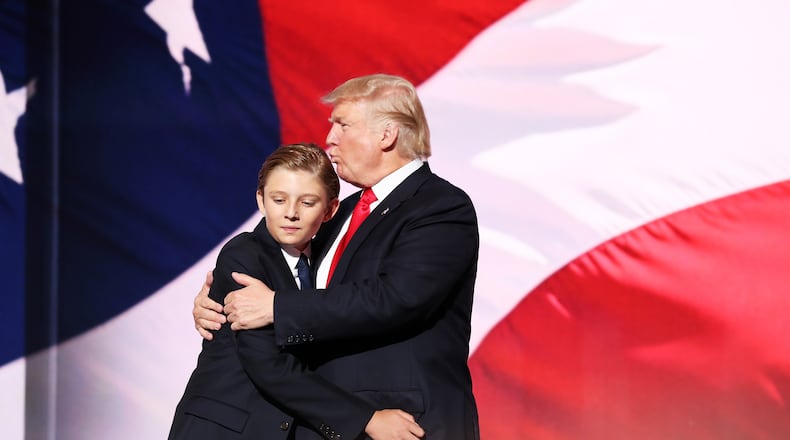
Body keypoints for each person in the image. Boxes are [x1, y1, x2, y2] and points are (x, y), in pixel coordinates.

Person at [194, 74, 481, 439]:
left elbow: (398, 297)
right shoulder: (338, 213)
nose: (330, 138)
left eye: (342, 125)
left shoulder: (440, 207)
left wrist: (277, 309)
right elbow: (272, 263)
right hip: (331, 423)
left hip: (407, 424)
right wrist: (217, 297)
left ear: (386, 135)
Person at [170, 143, 424, 440]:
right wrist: (366, 419)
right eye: (279, 199)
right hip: (220, 430)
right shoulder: (244, 254)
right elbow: (266, 364)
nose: (291, 213)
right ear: (261, 201)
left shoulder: (327, 262)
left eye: (307, 203)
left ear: (330, 210)